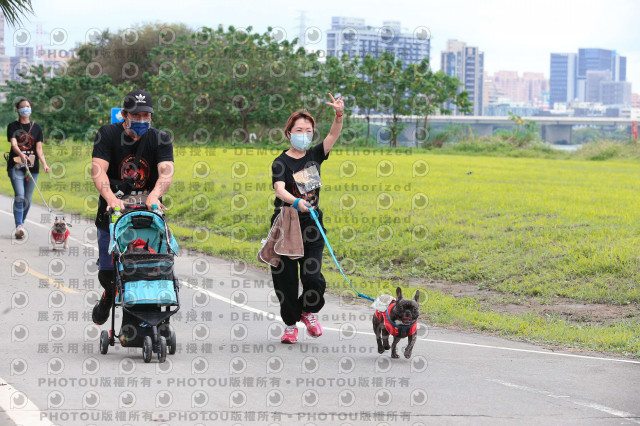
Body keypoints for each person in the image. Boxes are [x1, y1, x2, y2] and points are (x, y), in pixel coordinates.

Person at [90, 89, 174, 325]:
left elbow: (166, 172)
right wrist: (110, 198)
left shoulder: (160, 138)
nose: (141, 121)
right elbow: (98, 170)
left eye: (146, 116)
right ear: (124, 115)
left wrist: (155, 195)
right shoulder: (107, 134)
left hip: (147, 213)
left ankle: (144, 317)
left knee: (148, 266)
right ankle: (109, 293)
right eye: (136, 116)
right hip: (113, 211)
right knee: (108, 272)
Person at [270, 93, 344, 343]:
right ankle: (290, 325)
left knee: (313, 277)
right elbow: (279, 189)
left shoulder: (314, 155)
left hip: (312, 226)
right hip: (286, 225)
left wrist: (339, 115)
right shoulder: (280, 162)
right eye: (299, 129)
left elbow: (333, 135)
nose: (304, 133)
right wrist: (296, 201)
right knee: (286, 281)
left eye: (308, 130)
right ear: (289, 133)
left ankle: (307, 311)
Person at [6, 98, 50, 239]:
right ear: (18, 110)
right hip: (16, 165)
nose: (26, 109)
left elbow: (39, 149)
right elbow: (14, 144)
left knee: (27, 198)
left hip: (32, 167)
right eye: (23, 107)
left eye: (28, 106)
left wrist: (44, 164)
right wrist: (21, 154)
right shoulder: (12, 126)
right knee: (19, 194)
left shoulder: (36, 128)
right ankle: (18, 225)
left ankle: (22, 224)